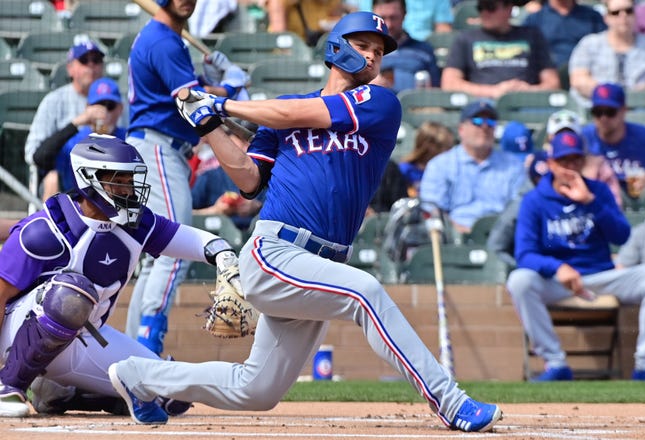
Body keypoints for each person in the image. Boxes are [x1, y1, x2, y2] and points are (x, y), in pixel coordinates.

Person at [106, 12, 503, 432]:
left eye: (379, 51)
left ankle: (139, 377)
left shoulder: (379, 102)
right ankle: (450, 401)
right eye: (363, 45)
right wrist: (208, 126)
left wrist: (223, 104)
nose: (372, 57)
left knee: (256, 389)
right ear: (336, 47)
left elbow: (296, 112)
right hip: (275, 251)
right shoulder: (281, 117)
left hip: (321, 265)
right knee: (364, 292)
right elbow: (248, 178)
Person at [0, 135, 242, 418]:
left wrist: (223, 254)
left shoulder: (136, 223)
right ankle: (9, 386)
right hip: (16, 335)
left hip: (87, 336)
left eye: (130, 181)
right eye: (119, 180)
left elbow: (184, 237)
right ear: (88, 179)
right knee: (71, 295)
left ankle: (60, 392)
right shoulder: (42, 230)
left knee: (167, 393)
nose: (128, 190)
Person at [125, 0, 250, 356]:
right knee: (175, 251)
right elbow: (188, 98)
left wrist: (214, 79)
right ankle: (149, 344)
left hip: (159, 148)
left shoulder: (167, 40)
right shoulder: (163, 40)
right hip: (159, 148)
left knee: (157, 256)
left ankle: (135, 353)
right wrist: (230, 88)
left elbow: (186, 89)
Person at [507, 130, 645, 382]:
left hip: (601, 275)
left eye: (576, 159)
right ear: (551, 162)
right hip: (558, 282)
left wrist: (591, 202)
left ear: (583, 161)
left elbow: (621, 236)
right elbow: (524, 254)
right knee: (519, 281)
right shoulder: (534, 201)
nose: (571, 166)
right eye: (564, 160)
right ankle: (555, 363)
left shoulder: (597, 191)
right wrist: (557, 268)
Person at [419, 99, 526, 234]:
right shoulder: (440, 165)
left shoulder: (513, 165)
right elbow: (432, 209)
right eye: (478, 121)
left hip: (501, 237)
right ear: (461, 129)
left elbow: (519, 209)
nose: (485, 127)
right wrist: (458, 231)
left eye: (491, 122)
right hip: (452, 240)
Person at [24, 41, 105, 200]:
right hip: (64, 176)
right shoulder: (54, 101)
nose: (91, 66)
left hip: (103, 175)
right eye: (84, 61)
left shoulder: (113, 102)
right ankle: (54, 224)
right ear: (70, 69)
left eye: (96, 60)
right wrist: (77, 122)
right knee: (51, 178)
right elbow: (33, 153)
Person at [441, 0, 560, 99]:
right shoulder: (465, 39)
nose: (484, 12)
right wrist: (493, 91)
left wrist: (529, 91)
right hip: (482, 105)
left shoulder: (532, 36)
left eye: (490, 7)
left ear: (509, 8)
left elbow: (553, 83)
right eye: (480, 7)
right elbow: (449, 83)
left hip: (526, 103)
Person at [32, 77, 126, 194]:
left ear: (120, 109)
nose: (104, 112)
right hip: (78, 204)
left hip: (119, 204)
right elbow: (40, 158)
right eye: (99, 105)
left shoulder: (128, 138)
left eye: (110, 106)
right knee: (51, 178)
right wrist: (77, 121)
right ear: (87, 107)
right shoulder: (75, 140)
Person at [568, 0, 645, 108]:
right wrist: (609, 94)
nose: (623, 16)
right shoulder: (590, 44)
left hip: (641, 109)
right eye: (616, 13)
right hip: (599, 111)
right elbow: (578, 80)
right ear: (606, 17)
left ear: (635, 14)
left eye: (628, 11)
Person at [581, 83, 645, 203]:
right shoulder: (583, 139)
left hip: (638, 207)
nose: (603, 118)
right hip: (596, 206)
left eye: (610, 112)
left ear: (623, 110)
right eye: (598, 112)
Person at [487, 150, 548, 267]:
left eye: (549, 178)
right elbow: (495, 248)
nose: (544, 184)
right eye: (538, 179)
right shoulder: (519, 205)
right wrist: (520, 267)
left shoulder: (570, 201)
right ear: (532, 178)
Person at [371, 0, 441, 93]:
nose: (389, 24)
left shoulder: (424, 50)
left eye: (393, 17)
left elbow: (436, 91)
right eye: (383, 18)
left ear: (404, 15)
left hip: (416, 105)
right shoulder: (365, 51)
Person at [522, 0, 606, 69]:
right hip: (550, 76)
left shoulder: (593, 17)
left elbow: (606, 46)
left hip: (586, 72)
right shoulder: (534, 19)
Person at [399, 120, 455, 197]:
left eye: (450, 147)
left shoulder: (451, 171)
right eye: (442, 147)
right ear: (428, 146)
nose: (449, 152)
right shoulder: (405, 170)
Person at [266, 0, 346, 46]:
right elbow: (280, 36)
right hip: (290, 52)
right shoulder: (282, 2)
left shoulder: (330, 2)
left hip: (319, 50)